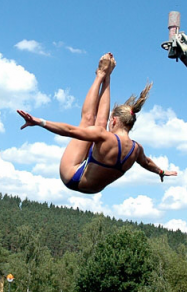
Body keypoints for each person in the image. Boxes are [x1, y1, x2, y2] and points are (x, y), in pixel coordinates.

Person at [17, 53, 177, 193]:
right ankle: (107, 77)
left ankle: (101, 75)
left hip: (72, 176)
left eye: (110, 120)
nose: (108, 123)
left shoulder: (105, 137)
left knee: (87, 122)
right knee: (98, 127)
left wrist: (40, 121)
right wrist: (161, 171)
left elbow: (69, 130)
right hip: (93, 187)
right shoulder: (136, 149)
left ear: (114, 120)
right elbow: (147, 163)